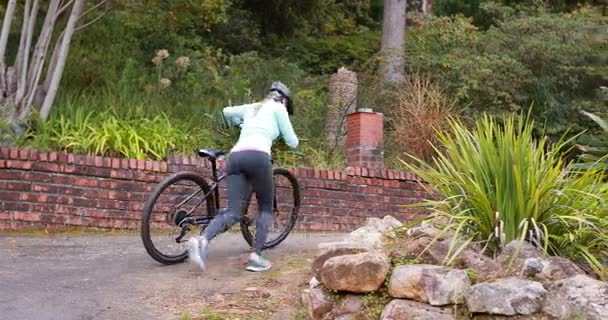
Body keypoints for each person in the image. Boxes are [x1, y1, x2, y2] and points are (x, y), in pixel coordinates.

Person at [187, 81, 299, 272]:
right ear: (285, 101)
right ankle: (256, 257)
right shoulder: (279, 109)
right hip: (258, 157)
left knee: (233, 212)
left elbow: (226, 111)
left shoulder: (253, 107)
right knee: (265, 208)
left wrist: (240, 124)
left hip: (236, 157)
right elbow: (293, 142)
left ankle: (202, 240)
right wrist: (278, 133)